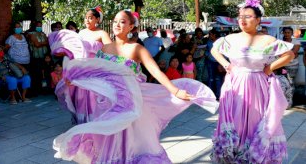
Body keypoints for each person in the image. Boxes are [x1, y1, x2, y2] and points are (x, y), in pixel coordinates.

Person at [52, 10, 218, 163]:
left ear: (131, 26)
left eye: (123, 21)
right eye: (115, 21)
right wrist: (74, 79)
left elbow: (156, 71)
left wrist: (175, 90)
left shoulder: (136, 48)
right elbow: (95, 72)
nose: (117, 24)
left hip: (130, 103)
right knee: (109, 140)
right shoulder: (104, 48)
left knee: (131, 143)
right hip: (108, 104)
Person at [210, 0, 294, 163]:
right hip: (234, 85)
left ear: (257, 20)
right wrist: (226, 64)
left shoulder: (267, 40)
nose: (242, 19)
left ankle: (255, 157)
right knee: (235, 122)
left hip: (258, 86)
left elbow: (289, 55)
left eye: (247, 16)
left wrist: (270, 67)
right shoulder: (231, 38)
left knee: (256, 123)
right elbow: (215, 50)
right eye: (240, 16)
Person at [28, 21, 49, 94]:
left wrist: (41, 43)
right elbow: (36, 44)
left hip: (44, 56)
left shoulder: (43, 34)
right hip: (35, 57)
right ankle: (35, 90)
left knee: (43, 73)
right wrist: (44, 43)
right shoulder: (31, 34)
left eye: (40, 26)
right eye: (38, 26)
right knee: (36, 74)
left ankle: (44, 89)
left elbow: (47, 42)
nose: (39, 27)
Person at [205, 29, 223, 99]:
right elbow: (206, 51)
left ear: (214, 35)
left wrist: (221, 64)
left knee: (218, 79)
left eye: (210, 34)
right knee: (211, 78)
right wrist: (207, 55)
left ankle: (218, 95)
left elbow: (223, 53)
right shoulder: (209, 42)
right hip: (210, 62)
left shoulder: (221, 42)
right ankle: (210, 96)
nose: (209, 36)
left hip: (219, 62)